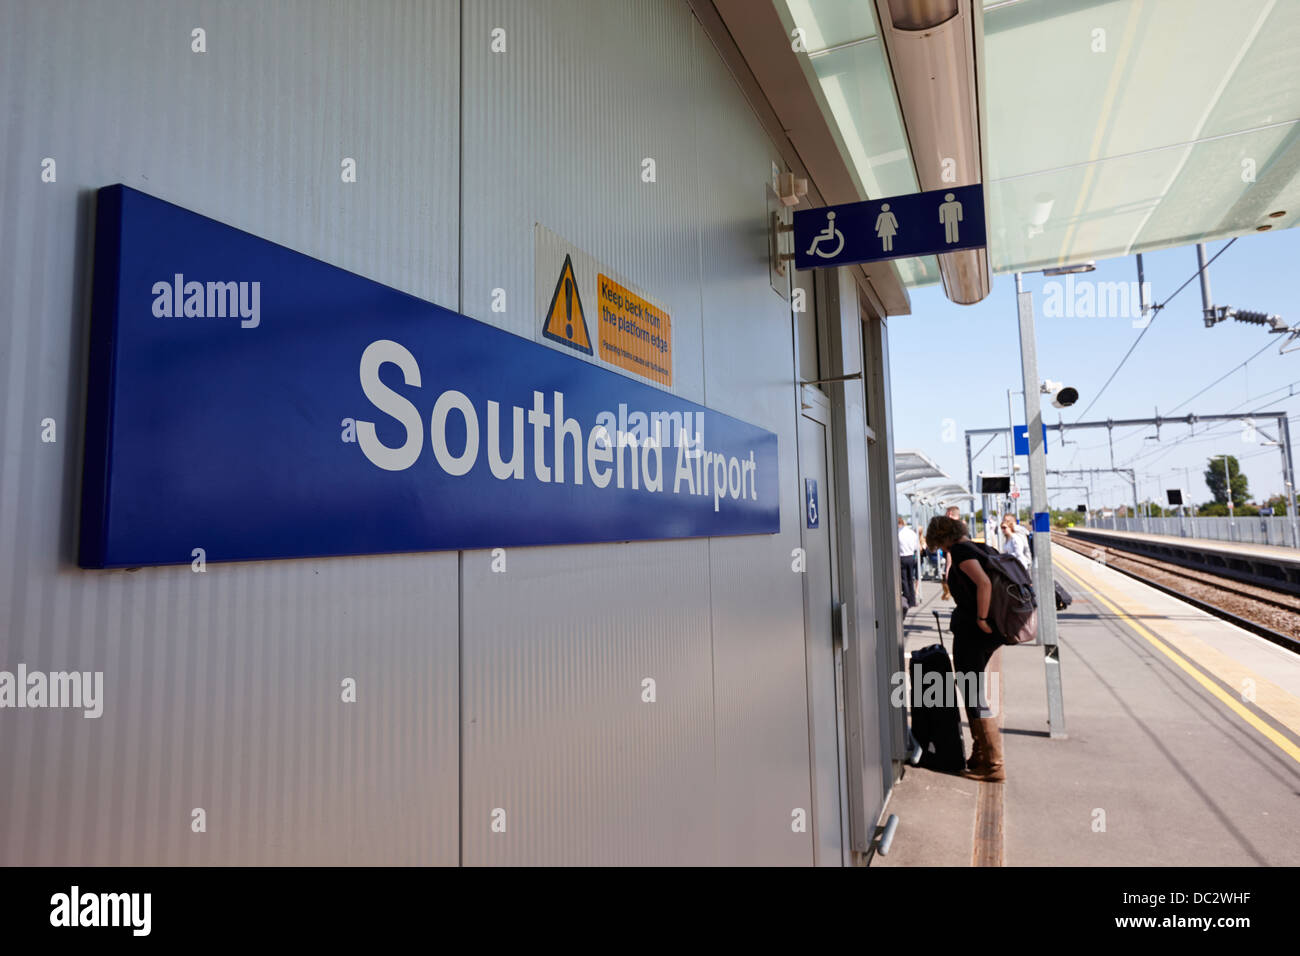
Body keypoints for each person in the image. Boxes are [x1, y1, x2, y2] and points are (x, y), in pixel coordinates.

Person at [923, 514, 1005, 781]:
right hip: (986, 632)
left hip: (974, 631)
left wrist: (981, 618)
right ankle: (980, 756)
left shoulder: (961, 551)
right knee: (973, 690)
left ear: (941, 536)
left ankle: (994, 765)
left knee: (972, 693)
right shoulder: (981, 547)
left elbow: (983, 582)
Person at [898, 517, 919, 610]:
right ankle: (913, 600)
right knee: (911, 579)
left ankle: (907, 598)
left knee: (904, 579)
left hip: (902, 557)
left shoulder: (898, 533)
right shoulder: (912, 533)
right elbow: (915, 546)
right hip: (911, 556)